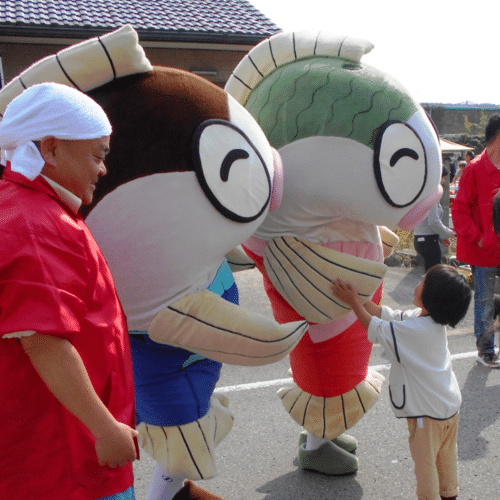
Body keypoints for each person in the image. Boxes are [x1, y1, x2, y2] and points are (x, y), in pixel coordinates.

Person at [0, 83, 138, 500]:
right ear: (51, 148)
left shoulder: (36, 207)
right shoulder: (33, 221)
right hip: (65, 459)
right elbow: (42, 339)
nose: (103, 169)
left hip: (63, 445)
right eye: (97, 155)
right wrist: (104, 427)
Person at [331, 264, 472, 500]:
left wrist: (353, 303)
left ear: (431, 296)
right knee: (446, 457)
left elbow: (374, 328)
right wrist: (360, 296)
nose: (418, 283)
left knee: (425, 465)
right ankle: (449, 494)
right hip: (448, 409)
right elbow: (383, 315)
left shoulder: (417, 330)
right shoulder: (426, 321)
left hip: (428, 415)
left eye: (424, 282)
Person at [452, 114, 500, 367]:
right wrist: (479, 239)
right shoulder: (475, 169)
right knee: (484, 301)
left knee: (492, 301)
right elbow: (459, 211)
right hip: (484, 251)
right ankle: (486, 350)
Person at [414, 166, 455, 272]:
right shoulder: (433, 194)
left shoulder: (424, 192)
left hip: (422, 239)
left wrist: (441, 237)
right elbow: (433, 222)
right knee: (436, 274)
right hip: (428, 241)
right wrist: (449, 233)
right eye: (443, 177)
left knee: (431, 274)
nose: (444, 180)